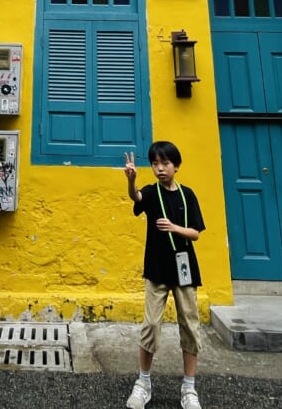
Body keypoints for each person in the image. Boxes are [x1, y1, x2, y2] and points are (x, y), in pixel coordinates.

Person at [123, 140, 206, 409]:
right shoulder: (150, 192)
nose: (160, 168)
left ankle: (189, 388)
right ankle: (143, 382)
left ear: (176, 166)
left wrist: (174, 228)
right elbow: (135, 198)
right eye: (155, 163)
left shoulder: (187, 195)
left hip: (184, 269)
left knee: (190, 327)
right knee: (150, 325)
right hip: (157, 268)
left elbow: (195, 232)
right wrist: (131, 180)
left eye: (165, 163)